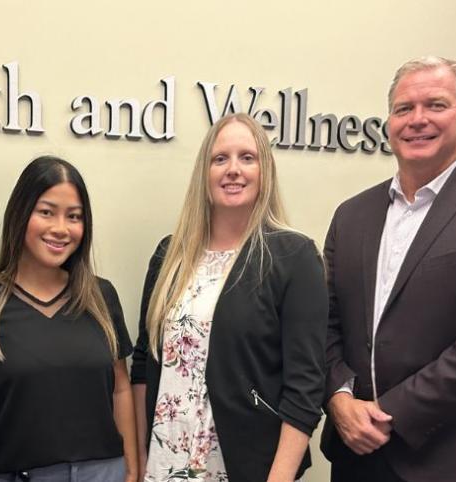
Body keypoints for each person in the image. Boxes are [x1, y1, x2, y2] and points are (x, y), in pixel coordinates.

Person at [131, 113, 327, 482]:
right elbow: (143, 362)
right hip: (164, 464)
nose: (233, 169)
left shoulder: (292, 256)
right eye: (220, 158)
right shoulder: (169, 255)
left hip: (243, 468)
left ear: (264, 171)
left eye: (247, 158)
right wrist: (140, 461)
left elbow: (305, 388)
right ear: (203, 173)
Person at [322, 56, 456, 482]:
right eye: (403, 109)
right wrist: (339, 398)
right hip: (355, 457)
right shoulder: (351, 216)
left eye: (435, 105)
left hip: (448, 459)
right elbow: (326, 323)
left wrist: (389, 413)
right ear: (388, 122)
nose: (417, 120)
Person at [0, 156, 137, 482]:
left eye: (74, 217)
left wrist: (131, 466)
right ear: (20, 213)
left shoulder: (100, 296)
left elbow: (120, 388)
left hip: (103, 473)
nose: (60, 228)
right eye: (46, 212)